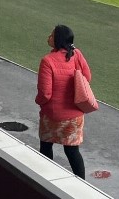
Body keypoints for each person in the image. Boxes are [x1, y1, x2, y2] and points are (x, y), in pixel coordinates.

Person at [35, 24, 91, 179]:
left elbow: (45, 93)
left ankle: (46, 180)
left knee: (46, 146)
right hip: (75, 115)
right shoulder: (77, 54)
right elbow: (87, 77)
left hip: (52, 115)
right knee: (72, 150)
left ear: (57, 39)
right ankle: (82, 184)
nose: (49, 37)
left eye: (51, 35)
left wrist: (38, 102)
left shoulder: (47, 61)